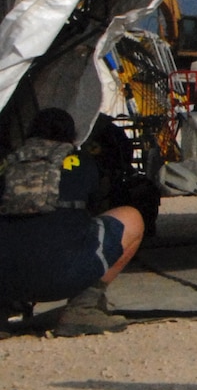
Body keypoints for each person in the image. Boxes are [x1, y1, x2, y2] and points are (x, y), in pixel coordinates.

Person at [0, 109, 145, 336]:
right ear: (72, 135)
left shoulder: (6, 164)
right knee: (131, 217)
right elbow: (98, 201)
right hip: (64, 276)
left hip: (8, 280)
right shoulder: (82, 162)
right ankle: (82, 309)